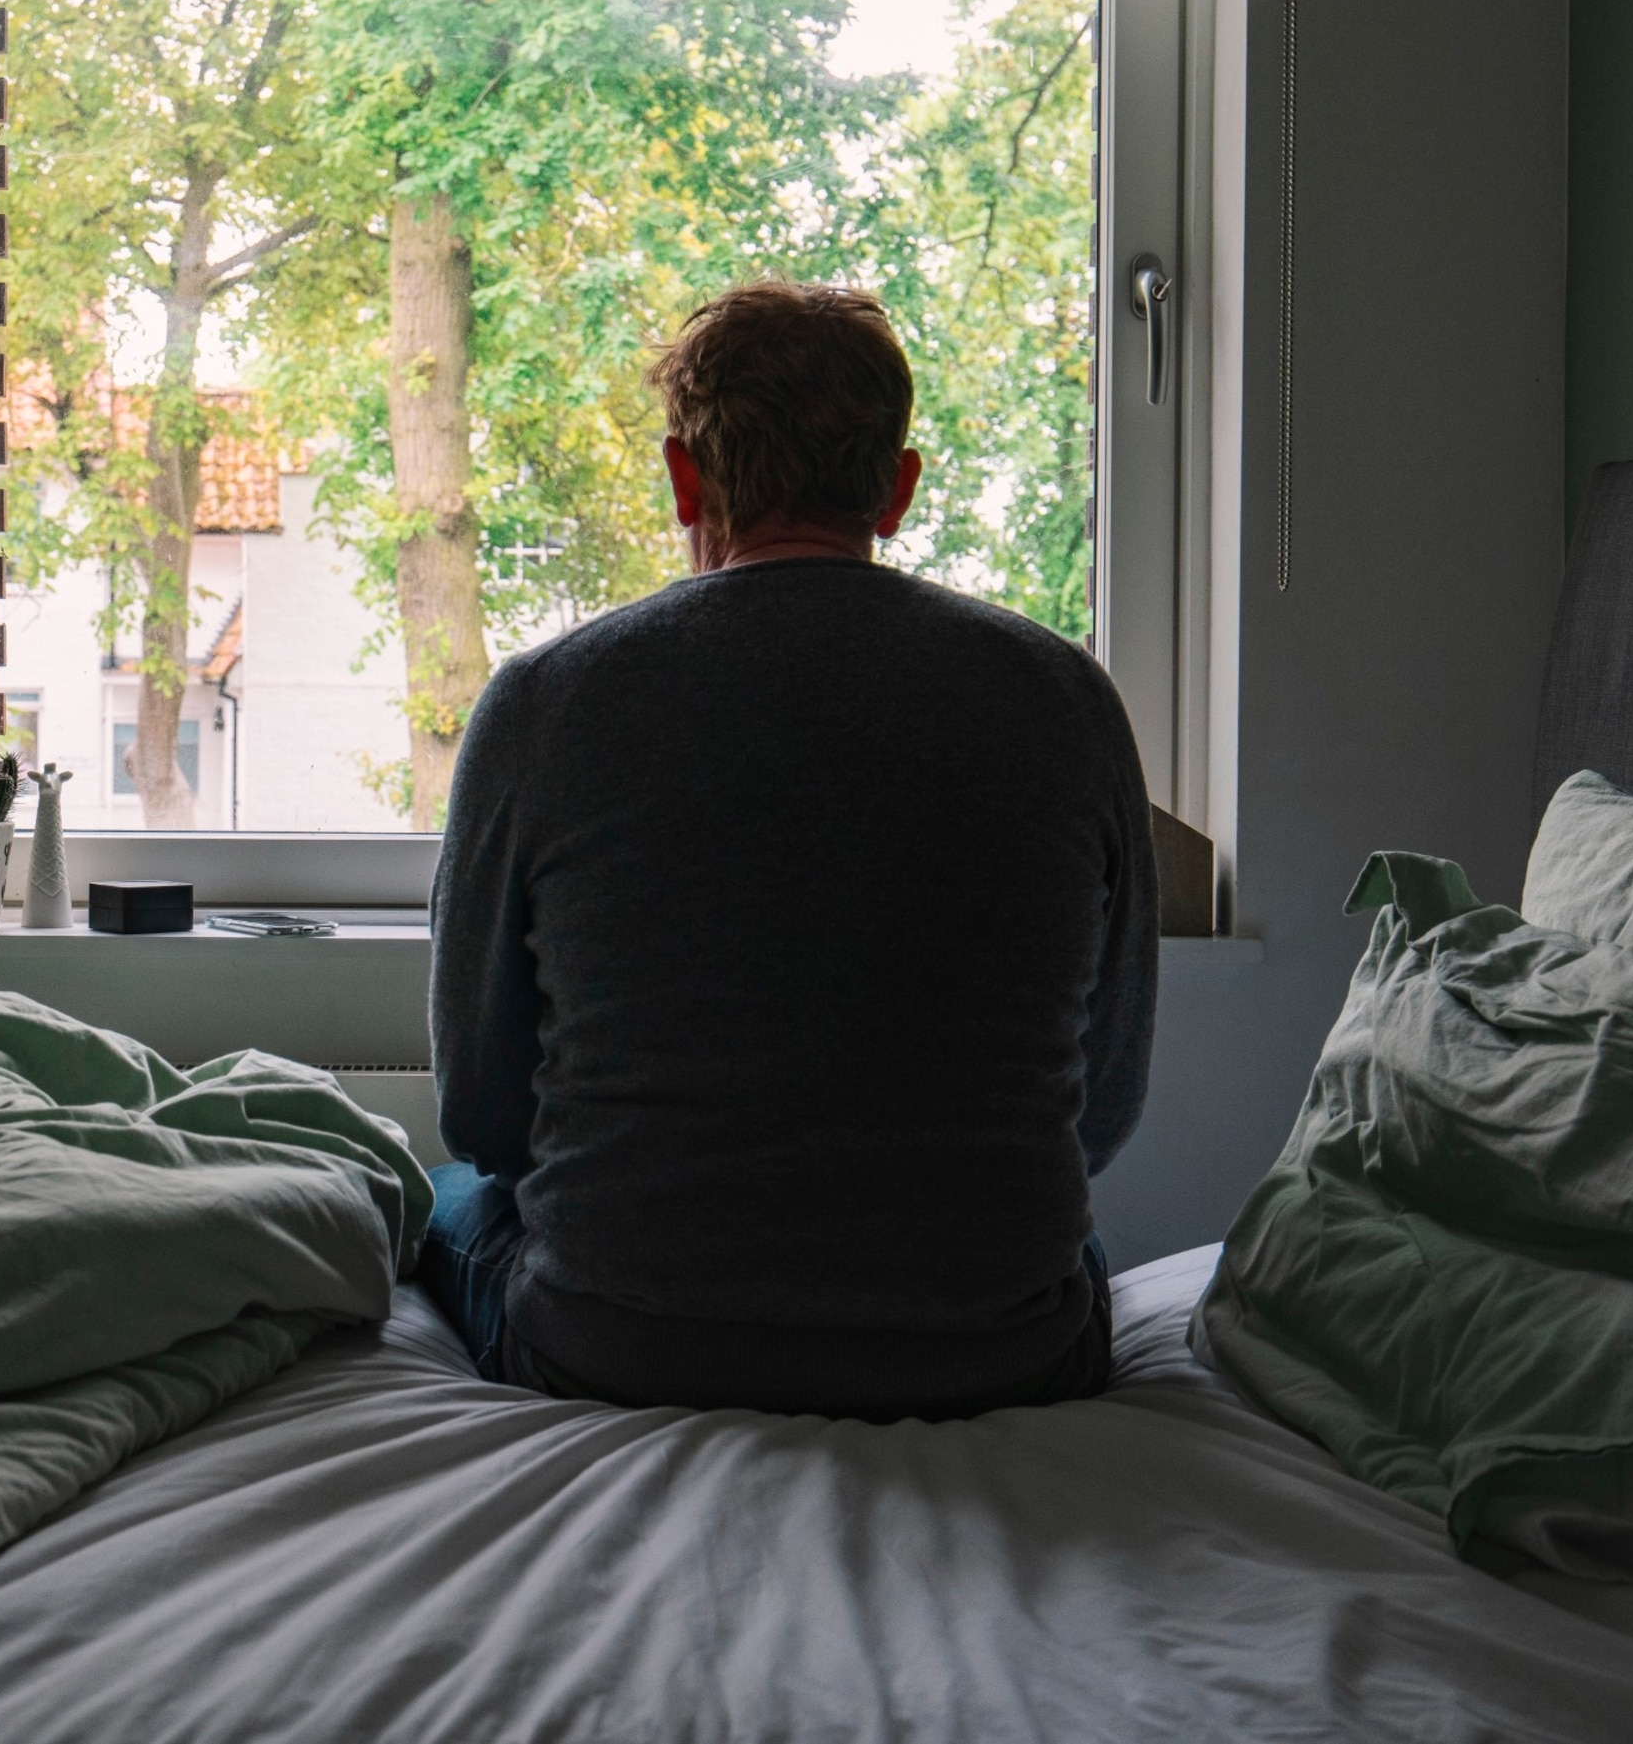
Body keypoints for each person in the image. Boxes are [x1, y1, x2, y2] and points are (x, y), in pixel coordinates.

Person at [420, 281, 1157, 1420]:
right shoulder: (1069, 699)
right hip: (994, 1352)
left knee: (445, 1199)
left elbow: (479, 1109)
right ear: (898, 490)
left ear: (682, 478)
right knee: (1079, 1256)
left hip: (620, 1342)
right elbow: (1101, 1107)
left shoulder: (543, 704)